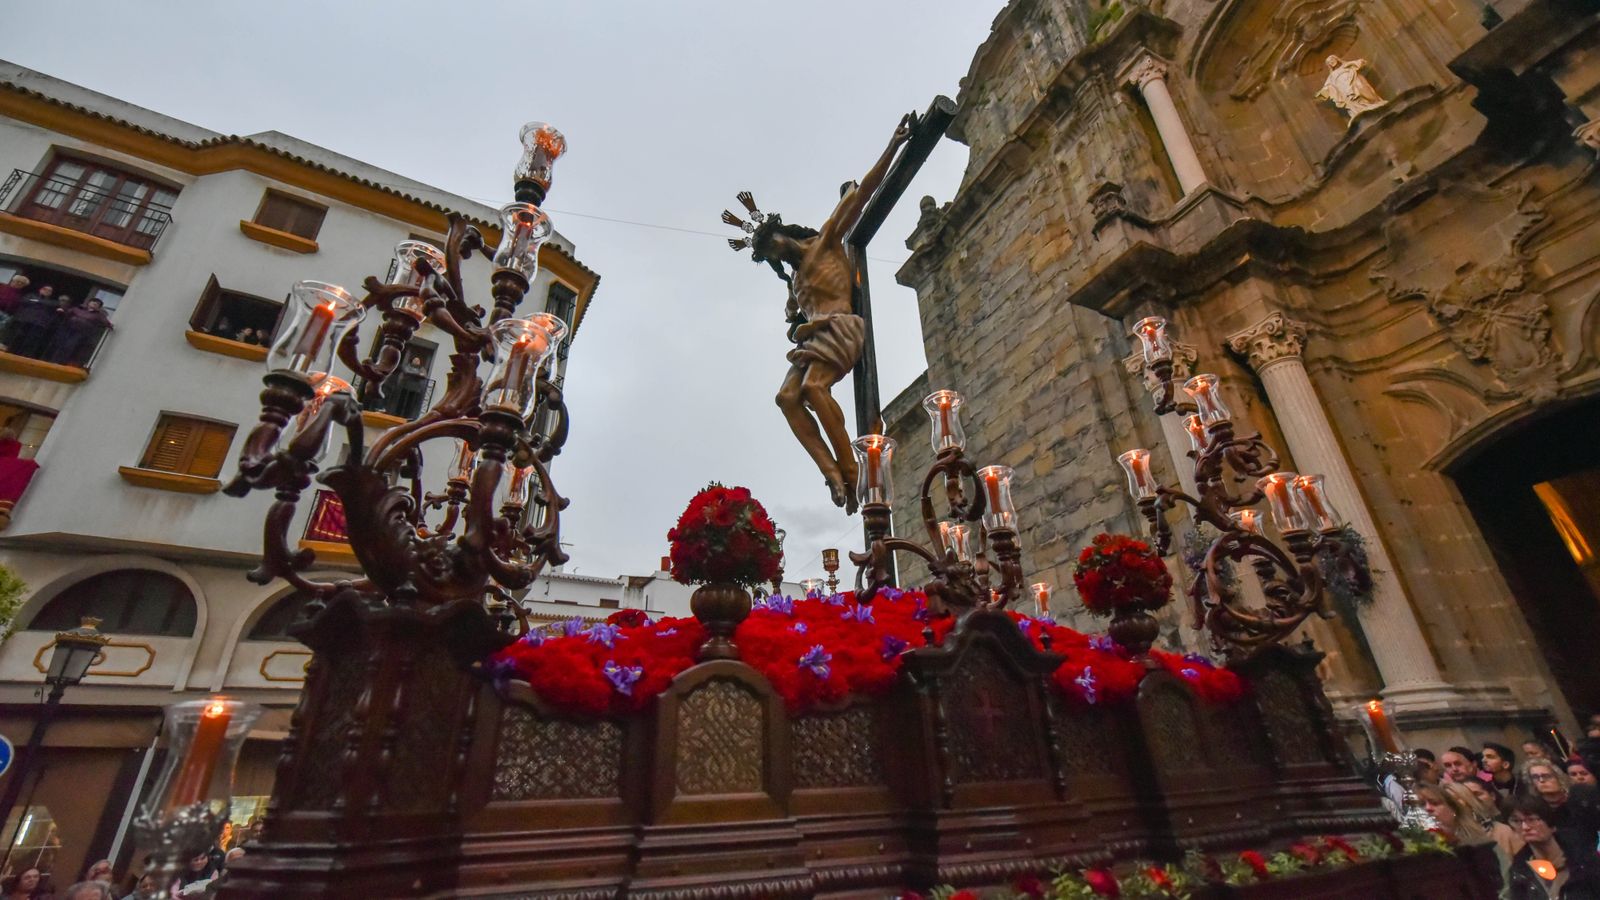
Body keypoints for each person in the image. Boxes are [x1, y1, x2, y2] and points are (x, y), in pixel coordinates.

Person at [1422, 783, 1523, 887]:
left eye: (1435, 803)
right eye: (1421, 805)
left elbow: (1511, 881)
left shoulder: (1498, 834)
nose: (1428, 809)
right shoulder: (1425, 846)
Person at [1506, 796, 1600, 899]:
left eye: (1532, 819)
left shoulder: (1583, 856)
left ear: (1551, 824)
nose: (1525, 827)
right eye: (1516, 821)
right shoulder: (1520, 871)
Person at [49, 297, 112, 367]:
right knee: (60, 344)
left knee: (69, 347)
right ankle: (53, 361)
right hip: (68, 329)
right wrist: (62, 310)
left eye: (97, 304)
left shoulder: (99, 315)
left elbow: (106, 323)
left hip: (80, 333)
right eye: (93, 302)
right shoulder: (78, 309)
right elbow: (67, 312)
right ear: (89, 303)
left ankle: (60, 363)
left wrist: (110, 325)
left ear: (99, 307)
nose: (94, 304)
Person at [3, 284, 60, 359]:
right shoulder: (30, 295)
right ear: (40, 289)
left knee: (31, 342)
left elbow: (54, 305)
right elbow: (24, 300)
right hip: (24, 321)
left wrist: (36, 301)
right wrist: (40, 302)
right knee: (17, 338)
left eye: (49, 291)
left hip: (39, 324)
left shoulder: (52, 302)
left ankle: (23, 357)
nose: (47, 291)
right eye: (45, 289)